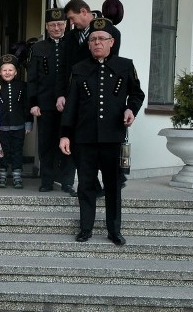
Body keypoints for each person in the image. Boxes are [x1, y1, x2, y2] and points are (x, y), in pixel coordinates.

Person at [59, 18, 144, 246]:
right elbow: (72, 105)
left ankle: (114, 230)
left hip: (113, 137)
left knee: (113, 186)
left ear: (111, 42)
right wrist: (65, 134)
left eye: (102, 39)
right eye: (93, 39)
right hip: (84, 138)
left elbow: (137, 94)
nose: (97, 43)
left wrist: (130, 109)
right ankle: (85, 228)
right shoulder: (79, 69)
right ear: (88, 45)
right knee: (86, 185)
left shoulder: (125, 66)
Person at [28, 8, 75, 193]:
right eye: (52, 25)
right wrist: (33, 103)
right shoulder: (38, 48)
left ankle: (67, 181)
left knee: (67, 142)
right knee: (46, 144)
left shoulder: (72, 45)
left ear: (66, 25)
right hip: (45, 104)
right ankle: (46, 180)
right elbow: (32, 78)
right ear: (47, 27)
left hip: (69, 105)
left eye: (60, 24)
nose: (56, 28)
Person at [0, 54, 31, 189]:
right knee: (2, 151)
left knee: (17, 150)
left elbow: (26, 105)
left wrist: (29, 122)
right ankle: (2, 176)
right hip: (1, 126)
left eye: (10, 70)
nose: (7, 73)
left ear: (16, 72)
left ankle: (17, 176)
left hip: (19, 125)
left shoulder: (23, 86)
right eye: (4, 70)